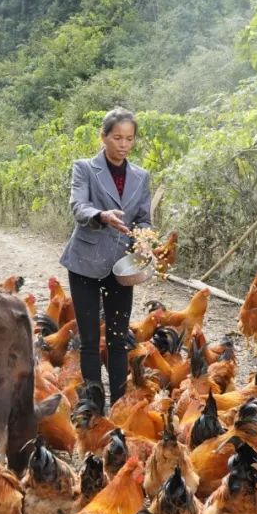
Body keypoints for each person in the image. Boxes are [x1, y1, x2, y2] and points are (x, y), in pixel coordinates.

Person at [58, 107, 152, 409]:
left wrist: (143, 241)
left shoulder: (140, 176)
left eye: (129, 139)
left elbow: (144, 219)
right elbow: (78, 206)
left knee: (117, 337)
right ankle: (94, 406)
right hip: (85, 261)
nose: (123, 144)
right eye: (117, 137)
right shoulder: (85, 168)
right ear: (104, 136)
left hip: (120, 267)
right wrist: (101, 215)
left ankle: (120, 405)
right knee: (88, 339)